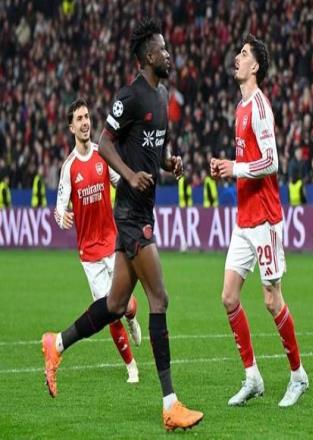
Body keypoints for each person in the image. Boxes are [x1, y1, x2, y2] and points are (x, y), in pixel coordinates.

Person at [41, 18, 203, 431]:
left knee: (115, 306)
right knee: (159, 299)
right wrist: (129, 176)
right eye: (162, 49)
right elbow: (105, 143)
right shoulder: (129, 96)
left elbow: (154, 149)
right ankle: (170, 404)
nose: (168, 54)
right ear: (147, 56)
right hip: (130, 216)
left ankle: (56, 343)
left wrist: (169, 163)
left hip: (143, 211)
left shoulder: (162, 96)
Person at [211, 34, 308, 408]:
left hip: (265, 219)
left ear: (255, 66)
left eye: (243, 53)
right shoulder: (240, 108)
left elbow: (272, 161)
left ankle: (298, 375)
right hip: (244, 219)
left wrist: (234, 167)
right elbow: (250, 160)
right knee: (228, 296)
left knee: (271, 299)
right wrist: (228, 167)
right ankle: (252, 376)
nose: (237, 57)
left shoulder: (260, 108)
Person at [54, 98, 141, 384]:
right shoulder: (69, 168)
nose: (85, 123)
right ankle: (131, 366)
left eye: (87, 117)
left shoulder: (103, 155)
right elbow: (58, 208)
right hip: (89, 254)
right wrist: (62, 217)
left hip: (112, 244)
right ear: (71, 127)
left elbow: (120, 181)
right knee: (110, 313)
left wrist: (133, 187)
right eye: (79, 119)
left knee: (126, 306)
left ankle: (132, 317)